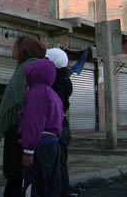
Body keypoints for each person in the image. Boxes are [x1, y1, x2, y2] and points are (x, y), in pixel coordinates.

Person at [0, 36, 47, 197]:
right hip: (17, 130)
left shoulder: (29, 69)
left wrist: (28, 148)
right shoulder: (23, 68)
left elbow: (31, 107)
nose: (12, 49)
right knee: (14, 175)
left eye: (14, 46)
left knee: (17, 175)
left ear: (23, 49)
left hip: (21, 132)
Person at [19, 59, 63, 197]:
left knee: (35, 186)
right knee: (50, 186)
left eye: (26, 75)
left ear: (35, 75)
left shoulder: (35, 94)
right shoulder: (54, 95)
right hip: (53, 147)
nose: (24, 79)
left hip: (40, 148)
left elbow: (33, 122)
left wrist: (28, 150)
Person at [46, 48, 73, 197]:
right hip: (62, 125)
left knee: (56, 166)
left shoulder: (53, 81)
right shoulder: (65, 79)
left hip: (54, 127)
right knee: (61, 164)